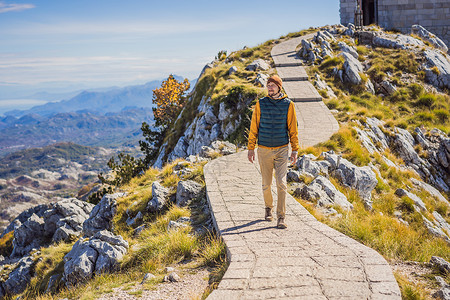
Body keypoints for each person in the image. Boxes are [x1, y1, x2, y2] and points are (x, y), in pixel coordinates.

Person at [247, 74, 299, 229]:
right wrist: (251, 148)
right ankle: (268, 208)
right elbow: (254, 127)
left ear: (279, 87)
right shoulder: (261, 104)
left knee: (281, 183)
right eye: (268, 85)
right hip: (263, 150)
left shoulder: (288, 105)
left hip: (282, 149)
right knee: (266, 184)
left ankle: (281, 217)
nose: (269, 87)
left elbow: (293, 129)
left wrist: (295, 150)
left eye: (272, 85)